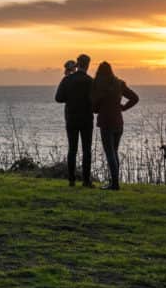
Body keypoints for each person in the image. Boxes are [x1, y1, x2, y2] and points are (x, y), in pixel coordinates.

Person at [89, 61, 139, 191]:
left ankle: (115, 184)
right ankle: (114, 181)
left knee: (110, 153)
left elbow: (94, 106)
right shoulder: (119, 84)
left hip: (106, 121)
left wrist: (97, 108)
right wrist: (123, 107)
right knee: (114, 152)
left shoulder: (98, 84)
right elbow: (134, 98)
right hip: (118, 121)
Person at [54, 53, 93, 187]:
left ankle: (71, 180)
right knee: (87, 150)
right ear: (88, 65)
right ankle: (86, 180)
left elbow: (58, 98)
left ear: (78, 64)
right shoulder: (90, 81)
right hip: (87, 119)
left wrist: (70, 97)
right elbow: (95, 101)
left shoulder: (67, 80)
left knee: (72, 149)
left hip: (71, 118)